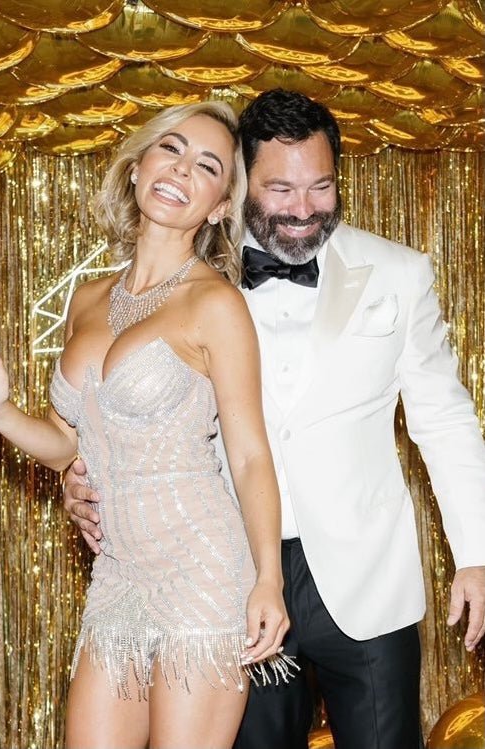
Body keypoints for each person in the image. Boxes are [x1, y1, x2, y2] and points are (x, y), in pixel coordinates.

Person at [63, 89, 485, 749]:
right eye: (280, 189)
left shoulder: (399, 275)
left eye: (321, 187)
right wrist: (79, 474)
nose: (303, 208)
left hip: (366, 580)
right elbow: (117, 411)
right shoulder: (189, 282)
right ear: (239, 188)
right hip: (227, 576)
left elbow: (444, 420)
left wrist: (477, 553)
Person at [0, 100, 294, 749]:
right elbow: (67, 444)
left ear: (219, 206)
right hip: (117, 573)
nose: (181, 169)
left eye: (206, 166)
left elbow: (249, 457)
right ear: (137, 166)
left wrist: (268, 578)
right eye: (171, 149)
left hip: (201, 566)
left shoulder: (215, 303)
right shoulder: (86, 299)